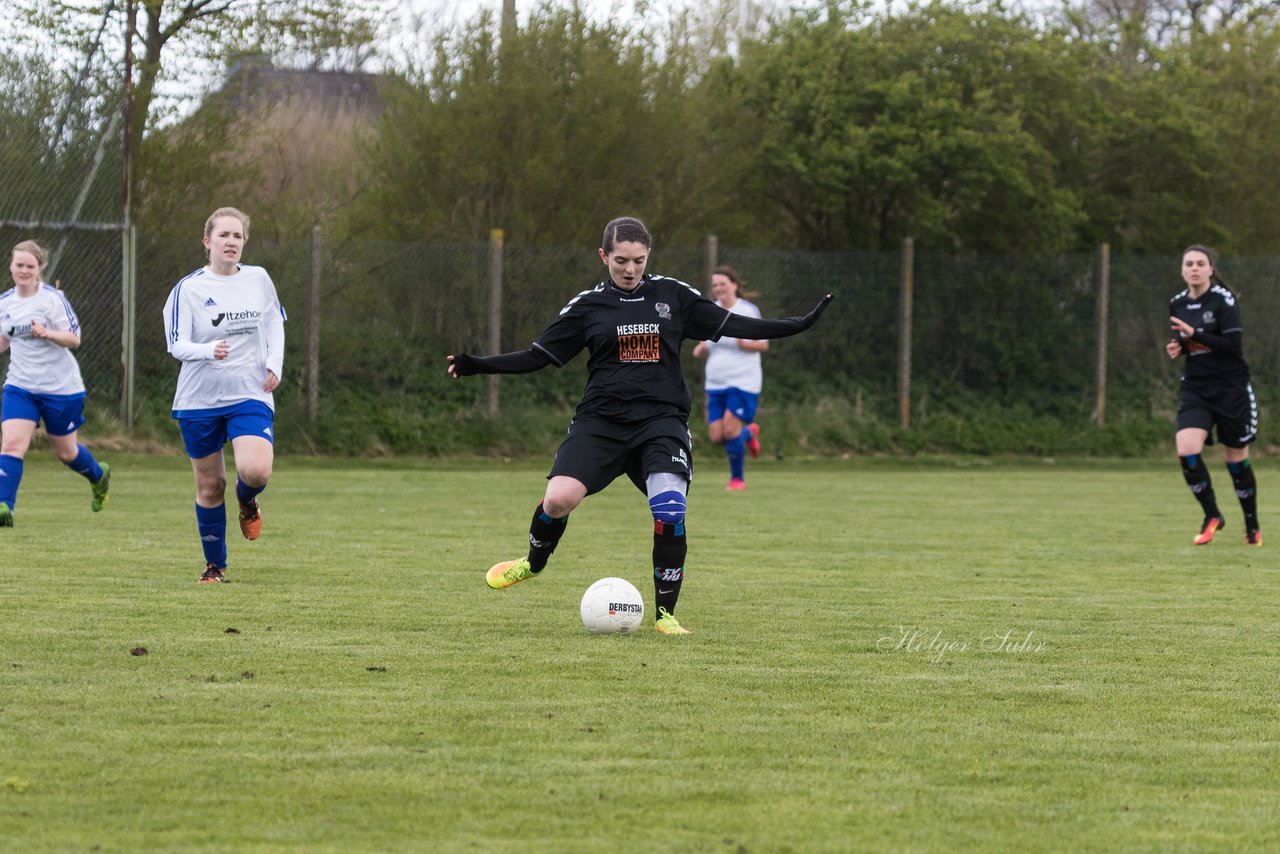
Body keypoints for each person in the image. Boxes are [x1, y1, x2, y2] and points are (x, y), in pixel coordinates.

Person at [447, 216, 833, 634]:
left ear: (648, 256)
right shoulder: (588, 306)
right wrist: (478, 365)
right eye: (620, 261)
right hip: (601, 422)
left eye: (638, 260)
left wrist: (798, 324)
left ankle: (666, 615)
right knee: (558, 500)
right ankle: (532, 562)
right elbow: (538, 356)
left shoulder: (673, 295)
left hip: (660, 422)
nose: (630, 270)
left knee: (669, 508)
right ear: (603, 256)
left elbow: (735, 325)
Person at [162, 207, 287, 582]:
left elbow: (273, 322)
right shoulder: (189, 289)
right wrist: (207, 350)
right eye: (224, 235)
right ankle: (215, 566)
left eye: (238, 236)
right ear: (207, 242)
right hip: (198, 398)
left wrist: (275, 364)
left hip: (249, 391)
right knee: (209, 484)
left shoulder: (259, 279)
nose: (231, 242)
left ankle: (247, 500)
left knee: (256, 468)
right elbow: (176, 344)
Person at [0, 240, 111, 527]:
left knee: (66, 453)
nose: (23, 270)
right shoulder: (5, 303)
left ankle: (98, 476)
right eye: (19, 265)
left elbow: (74, 338)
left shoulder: (52, 299)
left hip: (61, 388)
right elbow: (4, 340)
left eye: (30, 266)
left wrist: (47, 333)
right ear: (11, 265)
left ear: (39, 268)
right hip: (20, 386)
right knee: (11, 444)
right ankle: (5, 507)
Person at [1166, 244, 1261, 546]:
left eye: (1200, 263)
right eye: (1189, 264)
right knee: (1186, 449)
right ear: (1182, 270)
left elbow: (1233, 347)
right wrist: (1179, 347)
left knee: (1235, 459)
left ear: (1210, 269)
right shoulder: (1177, 303)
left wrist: (1194, 335)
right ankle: (1212, 515)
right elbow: (1189, 342)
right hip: (1197, 386)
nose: (1194, 268)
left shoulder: (1224, 301)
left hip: (1231, 388)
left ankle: (1252, 525)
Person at [692, 265, 767, 490]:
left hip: (743, 382)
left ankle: (737, 479)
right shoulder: (711, 311)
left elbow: (764, 344)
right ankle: (748, 433)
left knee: (729, 431)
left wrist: (746, 343)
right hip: (715, 383)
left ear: (735, 285)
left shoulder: (748, 311)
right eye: (715, 285)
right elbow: (705, 340)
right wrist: (701, 348)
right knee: (717, 436)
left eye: (722, 283)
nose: (718, 288)